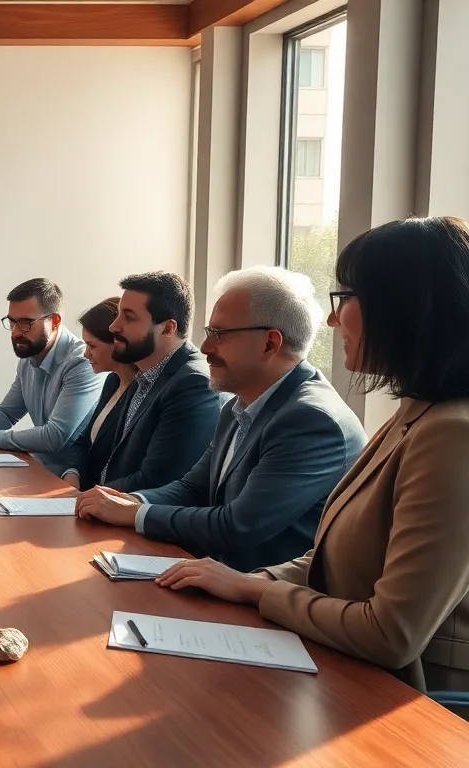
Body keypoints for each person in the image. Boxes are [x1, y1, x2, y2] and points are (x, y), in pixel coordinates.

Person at [157, 217, 469, 698]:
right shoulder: (415, 413)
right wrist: (241, 582)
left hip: (408, 705)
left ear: (401, 308)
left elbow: (392, 635)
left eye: (343, 300)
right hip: (341, 669)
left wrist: (255, 590)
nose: (330, 320)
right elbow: (330, 561)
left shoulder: (452, 434)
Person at [75, 267, 367, 571]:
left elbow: (237, 525)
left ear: (270, 343)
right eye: (208, 333)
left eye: (220, 335)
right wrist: (128, 501)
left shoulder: (311, 420)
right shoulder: (239, 404)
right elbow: (193, 488)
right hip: (218, 580)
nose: (205, 348)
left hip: (262, 602)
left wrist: (135, 514)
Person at [68, 271, 223, 492]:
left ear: (168, 328)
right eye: (118, 314)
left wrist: (91, 498)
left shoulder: (192, 383)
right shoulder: (142, 369)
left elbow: (160, 480)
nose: (114, 327)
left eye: (129, 317)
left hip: (136, 518)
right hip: (106, 508)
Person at [0, 278, 103, 475]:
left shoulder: (82, 361)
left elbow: (54, 436)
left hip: (70, 480)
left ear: (54, 321)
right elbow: (7, 412)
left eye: (25, 323)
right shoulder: (29, 355)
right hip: (36, 468)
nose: (15, 332)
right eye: (11, 322)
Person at [61, 298, 138, 490]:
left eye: (92, 346)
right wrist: (72, 472)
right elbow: (85, 439)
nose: (86, 354)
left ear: (116, 343)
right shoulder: (112, 381)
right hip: (84, 495)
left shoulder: (141, 392)